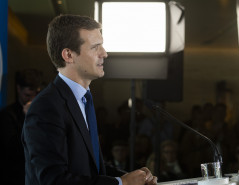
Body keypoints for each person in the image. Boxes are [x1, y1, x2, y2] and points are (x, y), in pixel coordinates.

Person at [21, 14, 157, 185]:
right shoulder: (46, 107)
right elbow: (53, 180)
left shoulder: (84, 99)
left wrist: (134, 177)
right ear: (69, 55)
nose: (105, 53)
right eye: (95, 47)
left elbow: (93, 168)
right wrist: (122, 183)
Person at [0, 68, 43, 185]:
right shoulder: (7, 115)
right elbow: (13, 149)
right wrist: (27, 119)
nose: (31, 100)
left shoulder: (42, 112)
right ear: (18, 89)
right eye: (27, 95)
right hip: (15, 176)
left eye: (35, 95)